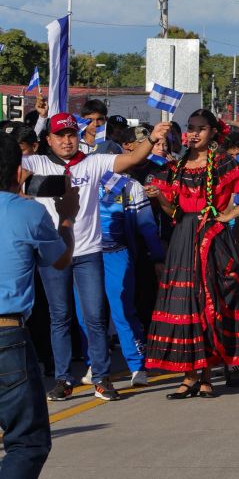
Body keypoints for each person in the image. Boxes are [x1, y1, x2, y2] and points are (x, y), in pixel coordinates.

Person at [24, 113, 170, 403]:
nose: (66, 141)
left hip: (90, 253)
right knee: (60, 318)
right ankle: (64, 379)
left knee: (95, 317)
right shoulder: (35, 163)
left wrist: (152, 139)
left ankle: (101, 378)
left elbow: (131, 160)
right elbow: (9, 172)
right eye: (60, 136)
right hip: (53, 256)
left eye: (71, 135)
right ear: (49, 139)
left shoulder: (92, 162)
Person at [145, 109, 239, 398]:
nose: (194, 133)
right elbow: (171, 210)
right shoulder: (178, 165)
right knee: (185, 306)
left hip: (212, 238)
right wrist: (160, 196)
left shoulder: (222, 161)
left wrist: (229, 214)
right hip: (184, 240)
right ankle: (189, 375)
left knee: (210, 303)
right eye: (191, 127)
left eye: (201, 128)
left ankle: (206, 376)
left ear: (213, 132)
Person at [1, 133, 77, 478]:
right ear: (19, 173)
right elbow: (59, 260)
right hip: (7, 337)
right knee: (28, 442)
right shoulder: (29, 212)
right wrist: (66, 217)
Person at [94, 136, 166, 389]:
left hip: (118, 254)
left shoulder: (131, 187)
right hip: (87, 257)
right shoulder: (83, 183)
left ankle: (137, 365)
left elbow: (147, 227)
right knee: (89, 316)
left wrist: (158, 257)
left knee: (122, 311)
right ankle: (96, 365)